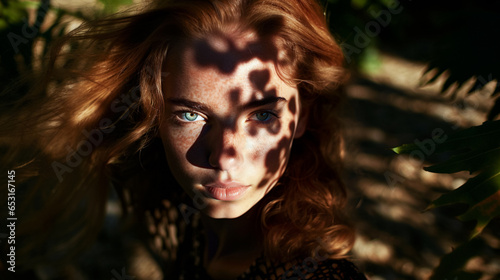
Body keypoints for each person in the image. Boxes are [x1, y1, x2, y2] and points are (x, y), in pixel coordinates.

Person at [1, 0, 367, 279]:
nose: (224, 156)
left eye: (262, 115)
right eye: (190, 114)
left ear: (303, 114)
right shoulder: (179, 215)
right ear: (153, 111)